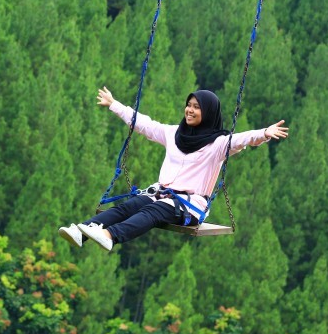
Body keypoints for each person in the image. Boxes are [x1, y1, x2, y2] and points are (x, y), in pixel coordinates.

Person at [58, 86, 289, 252]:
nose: (189, 110)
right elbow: (145, 125)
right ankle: (83, 231)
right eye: (188, 105)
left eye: (196, 107)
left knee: (151, 213)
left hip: (189, 206)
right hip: (161, 193)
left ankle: (109, 236)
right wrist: (115, 105)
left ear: (207, 113)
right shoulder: (174, 134)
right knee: (129, 206)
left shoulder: (218, 144)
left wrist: (264, 134)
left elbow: (242, 139)